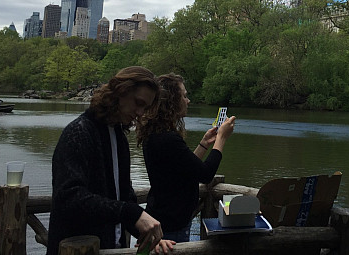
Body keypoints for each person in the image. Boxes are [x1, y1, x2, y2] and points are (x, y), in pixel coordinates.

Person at [47, 66, 175, 255]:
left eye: (145, 107)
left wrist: (148, 234)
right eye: (138, 103)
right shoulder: (79, 132)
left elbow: (123, 197)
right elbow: (68, 199)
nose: (140, 113)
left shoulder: (118, 136)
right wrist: (130, 212)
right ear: (120, 91)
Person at [137, 73, 236, 242]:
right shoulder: (167, 138)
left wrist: (204, 143)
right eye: (184, 96)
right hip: (170, 226)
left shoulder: (157, 134)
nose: (187, 100)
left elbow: (186, 168)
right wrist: (221, 139)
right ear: (172, 101)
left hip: (165, 219)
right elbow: (205, 174)